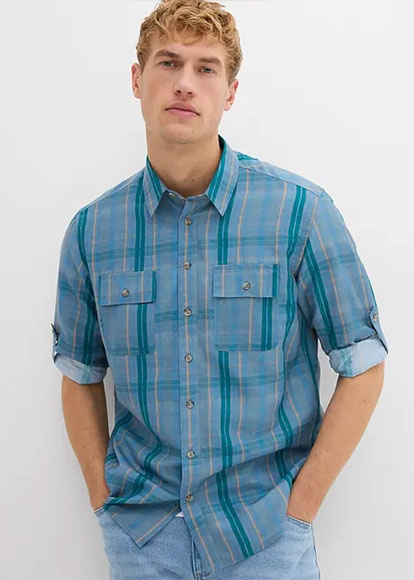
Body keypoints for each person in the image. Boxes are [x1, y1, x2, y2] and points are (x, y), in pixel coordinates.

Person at [51, 0, 389, 578]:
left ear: (230, 92)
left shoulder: (300, 213)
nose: (185, 83)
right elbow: (80, 376)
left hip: (266, 537)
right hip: (142, 539)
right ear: (136, 79)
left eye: (206, 68)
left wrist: (300, 510)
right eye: (168, 62)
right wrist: (103, 502)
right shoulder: (92, 231)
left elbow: (363, 364)